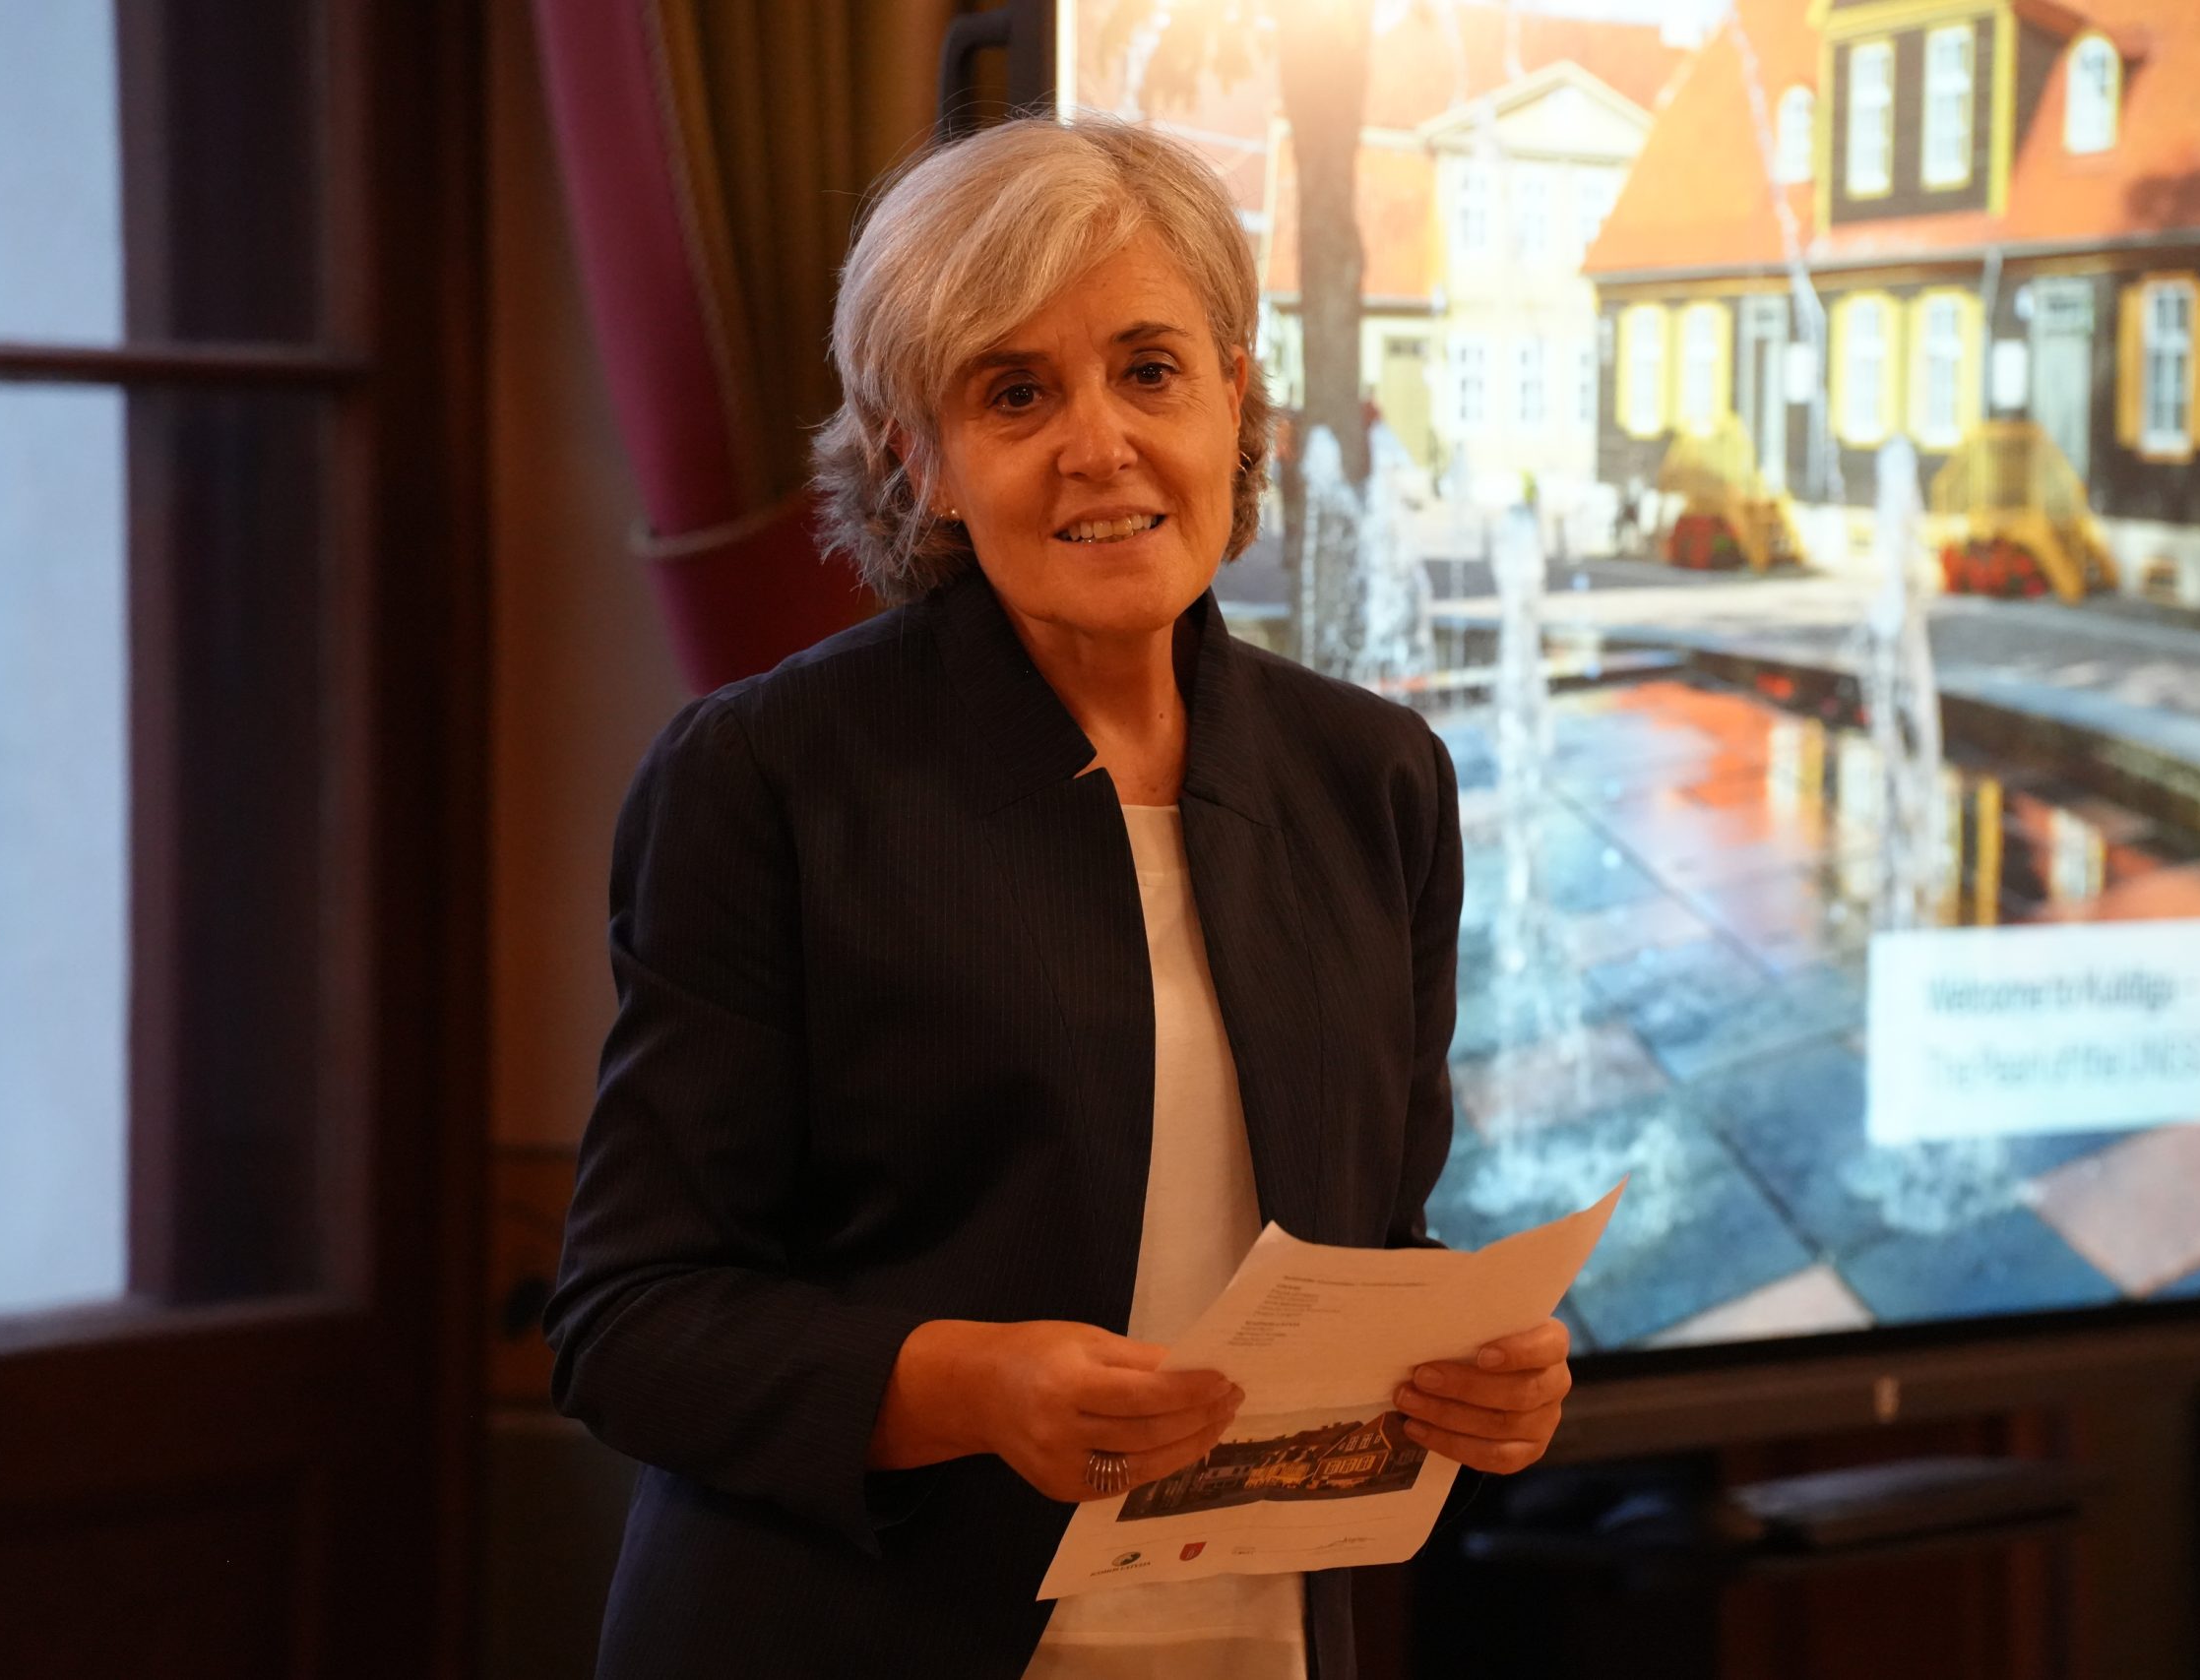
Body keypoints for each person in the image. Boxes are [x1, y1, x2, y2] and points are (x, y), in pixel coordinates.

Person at [545, 114, 1573, 1680]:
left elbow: (1375, 1244)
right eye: (1014, 393)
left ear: (1235, 400)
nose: (1100, 445)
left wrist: (1470, 1375)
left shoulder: (1375, 778)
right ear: (921, 460)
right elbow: (631, 1321)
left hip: (1254, 1646)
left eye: (1150, 370)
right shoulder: (767, 776)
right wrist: (967, 1387)